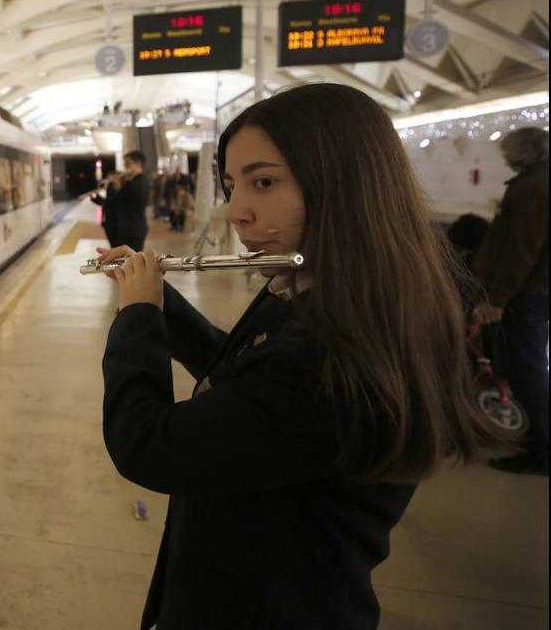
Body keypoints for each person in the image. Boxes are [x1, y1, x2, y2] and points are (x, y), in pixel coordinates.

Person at [94, 83, 508, 630]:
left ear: (346, 185)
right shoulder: (326, 293)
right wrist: (161, 300)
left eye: (263, 182)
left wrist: (137, 319)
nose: (238, 212)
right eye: (232, 185)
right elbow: (242, 374)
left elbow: (145, 444)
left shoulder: (336, 348)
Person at [470, 127, 549, 474]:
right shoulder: (537, 183)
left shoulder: (531, 188)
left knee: (526, 369)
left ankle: (540, 449)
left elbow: (521, 250)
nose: (504, 158)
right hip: (536, 289)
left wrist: (498, 299)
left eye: (506, 151)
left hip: (526, 293)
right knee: (531, 366)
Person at [111, 150, 149, 251]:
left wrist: (118, 187)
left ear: (138, 163)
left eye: (128, 164)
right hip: (132, 228)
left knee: (131, 262)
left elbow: (128, 200)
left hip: (132, 229)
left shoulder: (138, 182)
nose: (126, 167)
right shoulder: (135, 181)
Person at [90, 172, 124, 248]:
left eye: (110, 177)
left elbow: (109, 201)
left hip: (116, 222)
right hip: (109, 221)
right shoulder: (111, 186)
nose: (108, 179)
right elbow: (105, 202)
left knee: (116, 245)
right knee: (113, 244)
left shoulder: (117, 187)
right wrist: (94, 197)